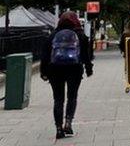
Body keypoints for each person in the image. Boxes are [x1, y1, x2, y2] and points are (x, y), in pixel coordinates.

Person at [40, 11, 93, 139]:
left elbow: (45, 55)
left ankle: (58, 128)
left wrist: (44, 72)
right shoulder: (80, 35)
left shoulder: (53, 35)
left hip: (55, 69)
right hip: (74, 69)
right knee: (72, 96)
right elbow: (86, 55)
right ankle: (68, 122)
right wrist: (88, 68)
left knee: (58, 99)